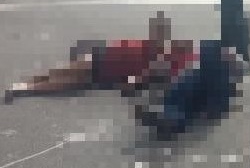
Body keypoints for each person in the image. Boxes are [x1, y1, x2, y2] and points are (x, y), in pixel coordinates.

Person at [4, 12, 195, 103]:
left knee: (68, 77)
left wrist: (132, 81)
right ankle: (24, 85)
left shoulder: (161, 62)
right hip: (105, 57)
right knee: (64, 72)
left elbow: (136, 80)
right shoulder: (161, 53)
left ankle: (24, 88)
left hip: (107, 66)